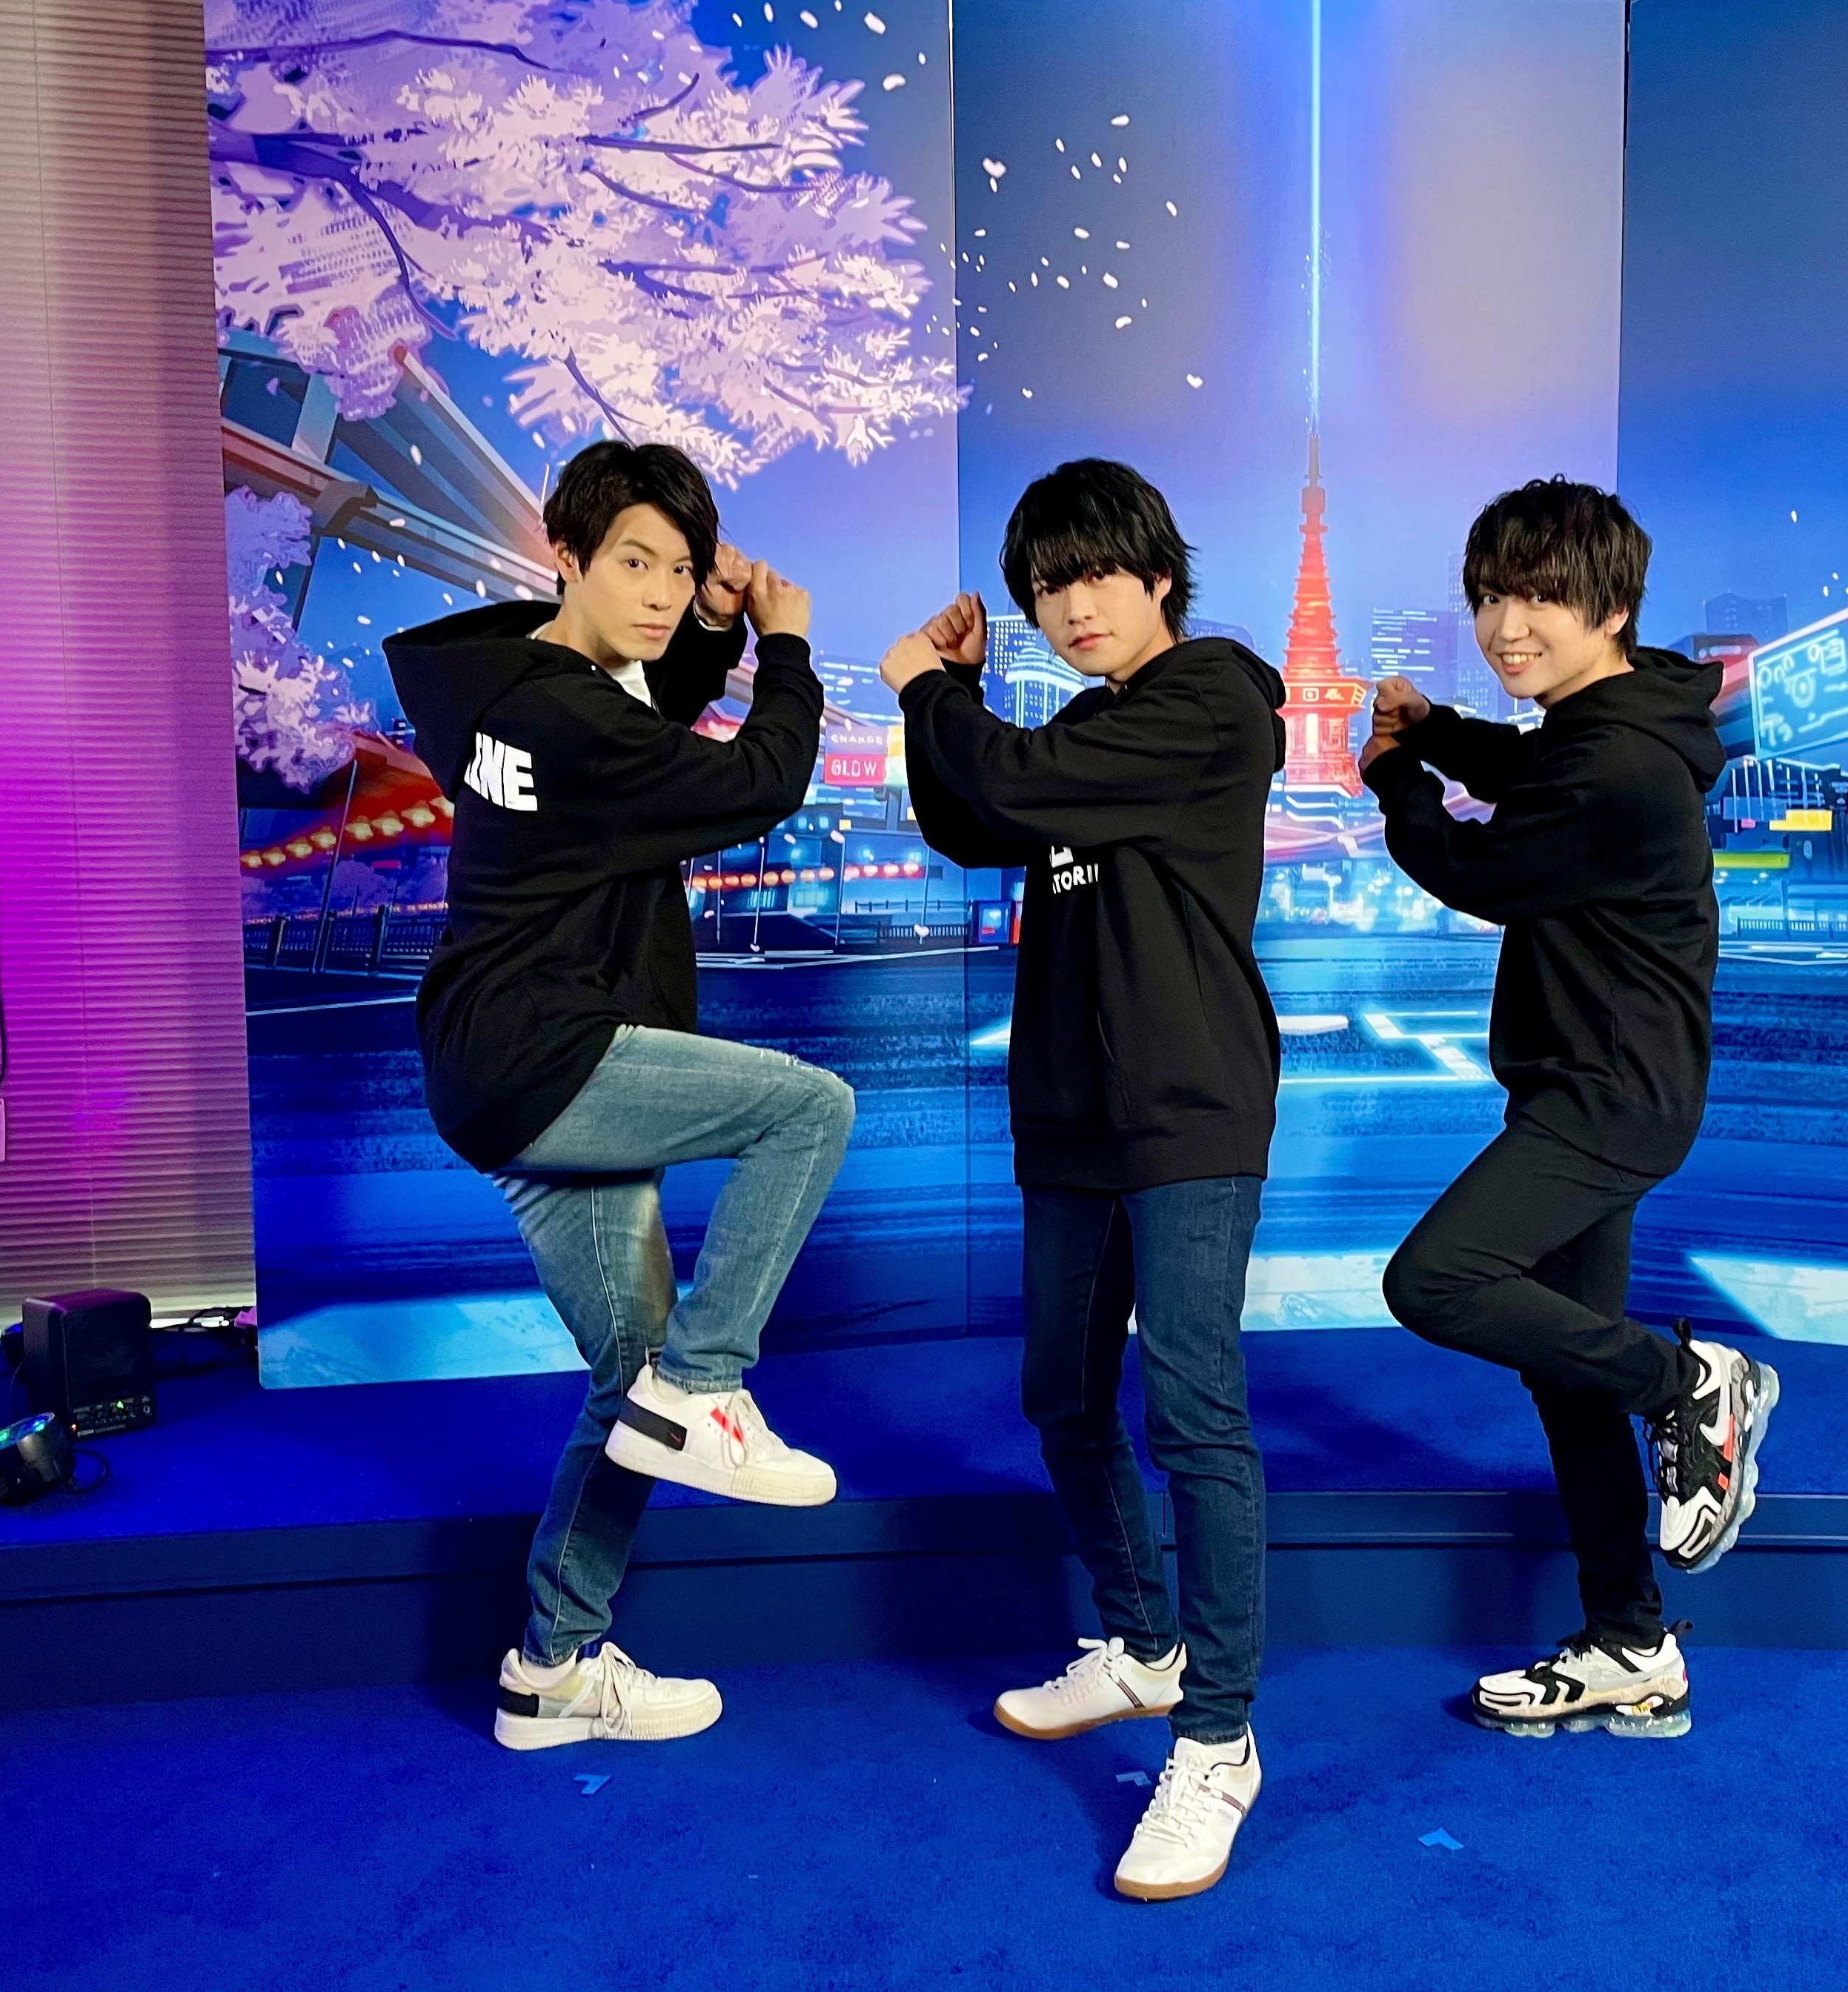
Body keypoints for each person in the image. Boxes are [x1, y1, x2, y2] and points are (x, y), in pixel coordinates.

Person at [388, 440, 854, 1753]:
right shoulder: (570, 717)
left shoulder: (507, 683)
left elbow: (637, 735)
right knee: (809, 1109)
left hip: (491, 1063)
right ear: (568, 557)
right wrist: (784, 644)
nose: (661, 593)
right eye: (636, 564)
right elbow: (755, 783)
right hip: (548, 1055)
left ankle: (552, 1669)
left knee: (625, 1385)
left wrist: (707, 634)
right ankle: (711, 1387)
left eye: (683, 571)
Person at [877, 459, 1283, 1902]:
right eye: (1048, 587)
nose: (1072, 606)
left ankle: (1218, 1739)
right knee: (1061, 1395)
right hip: (1067, 1114)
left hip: (1188, 1108)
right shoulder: (1083, 733)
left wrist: (927, 690)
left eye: (1096, 574)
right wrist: (942, 701)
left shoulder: (1211, 697)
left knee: (1193, 1407)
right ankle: (1141, 1644)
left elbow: (1013, 780)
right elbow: (971, 818)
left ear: (1159, 573)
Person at [1358, 476, 1778, 1740]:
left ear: (1613, 608)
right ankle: (1631, 1643)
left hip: (1608, 1099)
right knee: (1562, 1369)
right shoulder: (1614, 724)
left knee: (1436, 1282)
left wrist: (1396, 774)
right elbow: (1531, 763)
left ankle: (1690, 1380)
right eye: (1491, 598)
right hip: (1596, 1083)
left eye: (1540, 598)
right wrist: (1438, 728)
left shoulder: (1621, 766)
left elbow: (1480, 867)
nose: (1507, 626)